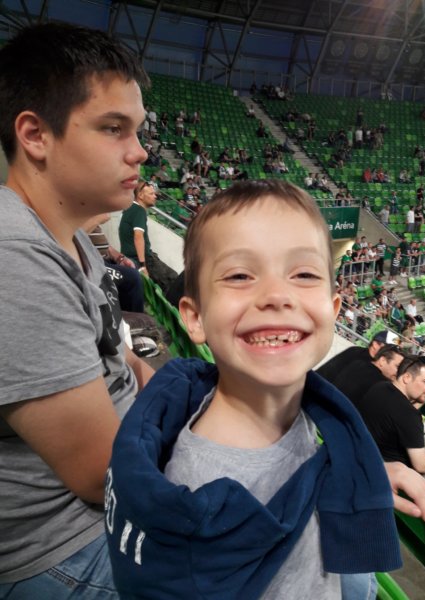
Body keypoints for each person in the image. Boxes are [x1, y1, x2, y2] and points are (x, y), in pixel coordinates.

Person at [106, 180, 402, 599]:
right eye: (240, 275)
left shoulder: (293, 408)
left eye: (304, 274)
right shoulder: (204, 496)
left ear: (334, 309)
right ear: (195, 317)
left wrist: (365, 468)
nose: (277, 295)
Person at [0, 22, 156, 597]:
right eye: (114, 129)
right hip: (70, 547)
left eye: (137, 130)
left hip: (111, 505)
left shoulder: (68, 236)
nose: (139, 151)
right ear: (36, 135)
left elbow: (127, 363)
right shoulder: (14, 258)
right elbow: (100, 474)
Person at [358, 356, 425, 512]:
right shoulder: (408, 414)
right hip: (389, 475)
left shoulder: (380, 387)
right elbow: (420, 465)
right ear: (407, 377)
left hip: (370, 455)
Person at [119, 180, 178, 293]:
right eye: (151, 194)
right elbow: (138, 236)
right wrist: (142, 265)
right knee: (174, 280)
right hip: (143, 259)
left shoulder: (129, 209)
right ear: (140, 196)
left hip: (132, 257)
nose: (155, 196)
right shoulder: (139, 211)